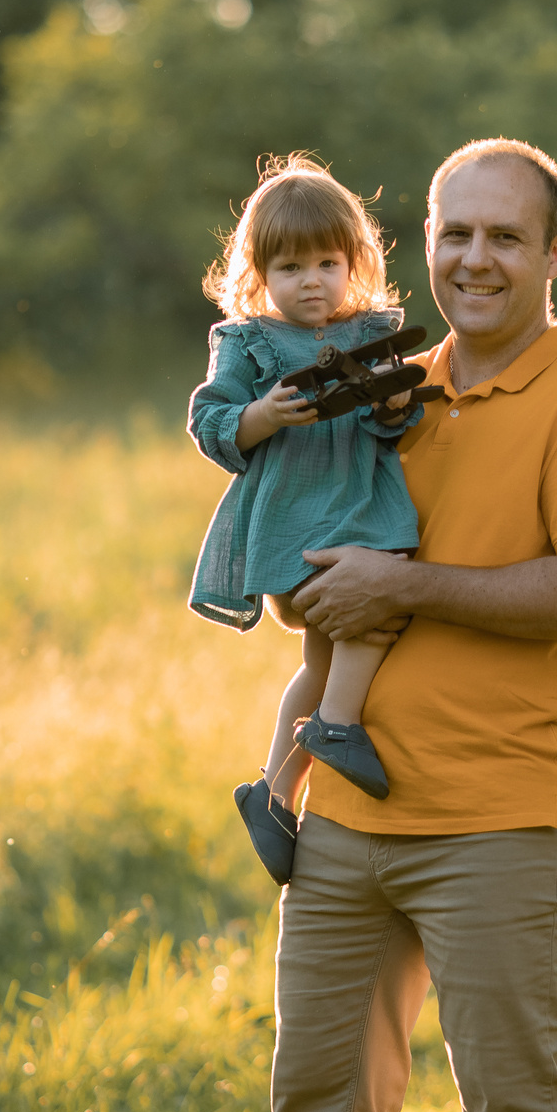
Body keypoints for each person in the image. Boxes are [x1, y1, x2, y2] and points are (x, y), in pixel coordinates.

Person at [268, 138, 557, 1112]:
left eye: (503, 236)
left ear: (554, 254)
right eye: (453, 233)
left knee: (515, 1111)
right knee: (320, 1107)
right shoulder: (381, 386)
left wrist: (406, 585)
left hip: (496, 817)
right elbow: (311, 563)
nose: (475, 258)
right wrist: (309, 589)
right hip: (344, 815)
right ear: (422, 244)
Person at [187, 156, 426, 883]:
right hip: (297, 521)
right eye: (291, 266)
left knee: (322, 662)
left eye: (328, 261)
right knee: (375, 610)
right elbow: (210, 418)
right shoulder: (250, 341)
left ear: (354, 261)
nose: (313, 280)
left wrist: (391, 409)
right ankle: (337, 728)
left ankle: (272, 789)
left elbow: (397, 420)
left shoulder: (368, 331)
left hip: (357, 503)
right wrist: (259, 416)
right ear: (259, 273)